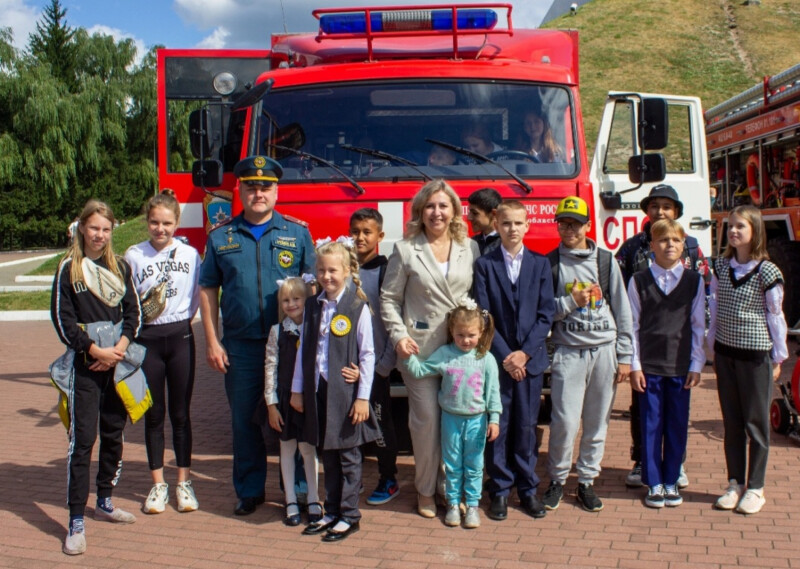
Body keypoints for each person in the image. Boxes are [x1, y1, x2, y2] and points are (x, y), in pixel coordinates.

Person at [198, 155, 315, 516]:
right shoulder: (221, 237)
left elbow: (313, 288)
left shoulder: (298, 233)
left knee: (293, 415)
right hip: (242, 345)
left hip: (290, 344)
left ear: (276, 192)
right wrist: (212, 341)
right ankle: (250, 490)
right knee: (244, 420)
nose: (258, 193)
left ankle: (297, 489)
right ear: (241, 191)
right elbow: (207, 288)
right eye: (251, 187)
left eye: (265, 187)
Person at [381, 179, 481, 518]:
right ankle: (425, 490)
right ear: (420, 212)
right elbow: (389, 299)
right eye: (430, 206)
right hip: (419, 352)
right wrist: (398, 336)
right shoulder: (406, 249)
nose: (437, 212)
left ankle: (448, 489)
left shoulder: (469, 247)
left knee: (455, 424)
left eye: (443, 206)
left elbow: (475, 296)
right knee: (426, 423)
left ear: (454, 210)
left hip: (459, 352)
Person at [51, 200, 142, 555]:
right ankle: (76, 519)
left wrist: (117, 349)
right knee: (83, 440)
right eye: (94, 228)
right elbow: (63, 321)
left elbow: (134, 314)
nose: (99, 235)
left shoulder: (120, 267)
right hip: (85, 366)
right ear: (82, 228)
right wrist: (94, 351)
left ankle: (105, 499)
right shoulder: (68, 269)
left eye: (105, 229)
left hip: (117, 363)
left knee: (114, 433)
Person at [541, 196, 633, 513]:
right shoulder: (551, 263)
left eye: (576, 224)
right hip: (568, 352)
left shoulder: (605, 261)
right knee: (564, 422)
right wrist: (572, 302)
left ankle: (586, 482)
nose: (569, 230)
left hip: (604, 351)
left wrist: (625, 355)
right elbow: (544, 312)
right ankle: (557, 479)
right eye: (563, 224)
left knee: (596, 422)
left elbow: (622, 309)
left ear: (588, 226)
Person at [615, 183, 709, 489]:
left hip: (678, 350)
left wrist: (698, 356)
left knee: (677, 413)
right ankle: (642, 461)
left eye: (667, 207)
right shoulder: (631, 247)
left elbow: (701, 295)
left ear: (676, 212)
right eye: (654, 206)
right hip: (646, 348)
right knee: (644, 410)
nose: (660, 211)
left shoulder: (691, 246)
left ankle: (675, 465)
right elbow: (619, 291)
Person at [290, 238, 380, 542]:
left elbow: (367, 354)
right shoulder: (313, 305)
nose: (326, 276)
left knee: (348, 456)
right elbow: (305, 350)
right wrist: (298, 390)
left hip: (345, 393)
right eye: (321, 270)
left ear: (346, 271)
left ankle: (349, 515)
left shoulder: (357, 306)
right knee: (327, 453)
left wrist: (363, 397)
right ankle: (331, 511)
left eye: (332, 271)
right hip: (319, 390)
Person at [473, 200, 555, 521]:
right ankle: (499, 490)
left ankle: (527, 488)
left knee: (526, 426)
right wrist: (507, 355)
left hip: (529, 362)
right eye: (506, 223)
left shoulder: (540, 264)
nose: (512, 229)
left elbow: (546, 314)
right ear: (496, 225)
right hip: (499, 361)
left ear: (527, 226)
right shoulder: (485, 265)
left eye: (518, 223)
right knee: (498, 425)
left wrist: (525, 353)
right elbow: (484, 314)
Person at [124, 190, 201, 515]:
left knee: (181, 414)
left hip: (180, 336)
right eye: (154, 222)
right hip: (148, 340)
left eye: (167, 223)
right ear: (147, 221)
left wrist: (186, 319)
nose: (160, 229)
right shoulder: (133, 255)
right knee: (154, 415)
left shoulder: (190, 254)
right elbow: (128, 299)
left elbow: (198, 294)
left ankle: (184, 482)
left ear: (176, 223)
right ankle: (158, 485)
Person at [707, 205, 788, 515]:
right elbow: (714, 307)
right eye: (730, 226)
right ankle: (734, 483)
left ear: (755, 231)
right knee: (732, 423)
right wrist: (712, 346)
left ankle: (756, 487)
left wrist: (778, 356)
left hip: (755, 357)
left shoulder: (767, 271)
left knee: (756, 424)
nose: (733, 231)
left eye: (740, 226)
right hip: (726, 354)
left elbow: (775, 315)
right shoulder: (721, 267)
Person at [627, 219, 705, 509]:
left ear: (683, 245)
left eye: (675, 240)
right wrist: (634, 365)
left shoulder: (694, 281)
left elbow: (698, 325)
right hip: (649, 366)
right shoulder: (638, 280)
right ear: (652, 246)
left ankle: (671, 479)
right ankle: (654, 481)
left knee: (677, 424)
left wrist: (696, 363)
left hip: (680, 366)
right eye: (662, 240)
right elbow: (632, 326)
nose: (669, 245)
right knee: (650, 424)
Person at [404, 300, 501, 529]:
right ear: (451, 332)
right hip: (451, 419)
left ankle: (473, 505)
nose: (466, 340)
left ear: (481, 332)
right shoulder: (444, 354)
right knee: (452, 464)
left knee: (474, 464)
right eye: (460, 335)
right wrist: (407, 355)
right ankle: (453, 504)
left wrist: (494, 418)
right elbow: (420, 370)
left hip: (477, 420)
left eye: (471, 335)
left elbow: (493, 392)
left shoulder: (486, 359)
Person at [349, 208, 401, 506]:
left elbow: (394, 321)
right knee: (350, 424)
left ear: (380, 235)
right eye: (355, 231)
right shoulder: (344, 269)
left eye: (367, 232)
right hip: (347, 367)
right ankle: (352, 478)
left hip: (376, 368)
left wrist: (383, 366)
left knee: (380, 424)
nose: (360, 237)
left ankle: (388, 478)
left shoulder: (385, 271)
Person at [264, 277, 322, 526]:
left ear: (307, 300)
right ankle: (290, 499)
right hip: (284, 400)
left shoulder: (314, 329)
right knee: (286, 449)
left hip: (308, 399)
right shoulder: (277, 331)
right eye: (286, 300)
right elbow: (270, 368)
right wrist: (271, 404)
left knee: (308, 449)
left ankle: (313, 497)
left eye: (297, 299)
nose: (291, 304)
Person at [467, 188, 502, 255]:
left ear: (494, 214)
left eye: (475, 213)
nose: (469, 218)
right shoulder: (472, 242)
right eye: (470, 212)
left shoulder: (505, 244)